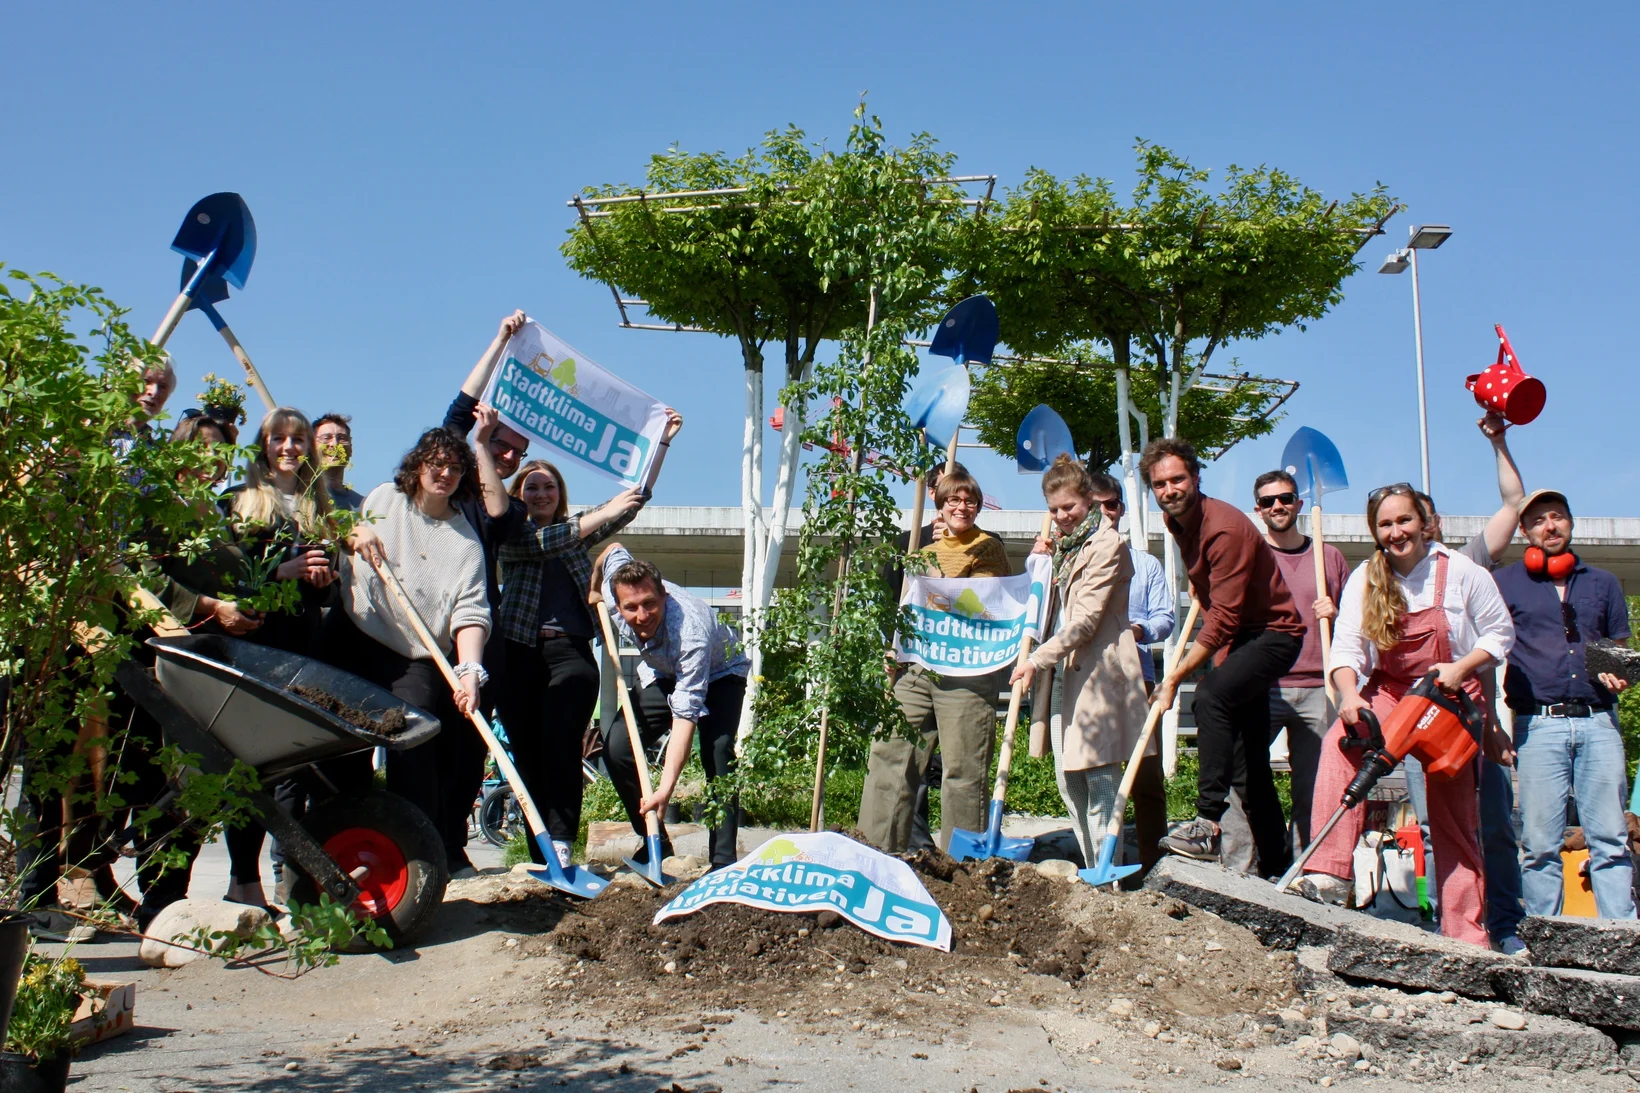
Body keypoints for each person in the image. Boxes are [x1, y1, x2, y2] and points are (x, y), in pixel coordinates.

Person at [1300, 484, 1515, 946]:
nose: (1396, 532)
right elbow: (1347, 648)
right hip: (1392, 691)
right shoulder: (1366, 578)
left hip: (1451, 697)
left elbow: (1499, 634)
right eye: (1386, 524)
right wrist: (1347, 694)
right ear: (1375, 533)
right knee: (1341, 743)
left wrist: (1461, 667)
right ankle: (1328, 873)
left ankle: (1465, 932)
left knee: (1452, 813)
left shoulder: (1462, 572)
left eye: (1404, 521)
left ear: (1424, 523)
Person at [492, 410, 679, 868]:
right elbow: (546, 543)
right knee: (528, 753)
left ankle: (561, 841)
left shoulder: (578, 535)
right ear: (518, 495)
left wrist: (662, 445)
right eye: (530, 487)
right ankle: (539, 851)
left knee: (561, 745)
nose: (540, 493)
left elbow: (635, 500)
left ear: (560, 495)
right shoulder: (510, 537)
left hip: (569, 653)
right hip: (516, 653)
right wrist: (602, 512)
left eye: (548, 487)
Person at [1142, 437, 1305, 874]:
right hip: (1243, 635)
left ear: (1196, 477)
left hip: (1275, 633)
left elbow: (1223, 623)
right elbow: (1208, 586)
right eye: (1160, 484)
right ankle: (1276, 866)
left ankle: (1207, 822)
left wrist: (1174, 677)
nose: (1170, 489)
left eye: (1178, 479)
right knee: (1249, 767)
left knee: (1210, 695)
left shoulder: (1225, 529)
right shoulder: (1177, 521)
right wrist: (1201, 583)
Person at [333, 429, 491, 872]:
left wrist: (469, 672)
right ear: (418, 465)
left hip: (417, 655)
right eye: (436, 464)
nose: (444, 474)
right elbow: (342, 528)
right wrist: (356, 531)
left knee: (416, 737)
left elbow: (472, 615)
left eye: (455, 468)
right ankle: (340, 841)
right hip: (355, 632)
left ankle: (418, 852)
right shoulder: (384, 500)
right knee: (340, 746)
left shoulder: (466, 545)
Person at [1407, 413, 1529, 951]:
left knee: (1497, 827)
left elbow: (1513, 506)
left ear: (1431, 524)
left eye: (1419, 519)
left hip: (1478, 721)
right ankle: (1448, 927)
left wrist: (1499, 443)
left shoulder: (1468, 563)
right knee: (1436, 830)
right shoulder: (1383, 578)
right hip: (1421, 720)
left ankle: (1504, 926)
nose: (1408, 531)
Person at [1494, 489, 1635, 920]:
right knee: (1539, 845)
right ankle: (1544, 938)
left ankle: (1622, 940)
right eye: (1538, 520)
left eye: (1557, 517)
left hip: (1599, 721)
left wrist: (1622, 671)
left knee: (1611, 838)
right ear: (1524, 531)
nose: (1549, 526)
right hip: (1539, 726)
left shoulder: (1603, 582)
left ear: (1571, 523)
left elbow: (1620, 645)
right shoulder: (1505, 583)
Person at [217, 407, 337, 907]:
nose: (289, 448)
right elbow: (227, 585)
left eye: (298, 440)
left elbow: (328, 596)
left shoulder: (318, 508)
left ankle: (291, 885)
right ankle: (243, 882)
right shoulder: (236, 503)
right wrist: (280, 574)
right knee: (250, 767)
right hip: (256, 647)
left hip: (304, 649)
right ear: (262, 445)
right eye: (279, 439)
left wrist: (323, 581)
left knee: (292, 769)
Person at [859, 467, 1012, 853]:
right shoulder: (920, 550)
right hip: (918, 667)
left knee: (962, 771)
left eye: (969, 501)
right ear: (938, 505)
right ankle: (877, 852)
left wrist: (937, 574)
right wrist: (892, 650)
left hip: (966, 671)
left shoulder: (987, 547)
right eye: (953, 500)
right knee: (890, 753)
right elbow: (909, 607)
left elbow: (977, 605)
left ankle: (964, 868)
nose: (962, 507)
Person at [1011, 456, 1149, 872]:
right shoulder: (1061, 550)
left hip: (1097, 676)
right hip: (1060, 675)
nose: (1061, 516)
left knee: (1100, 782)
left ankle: (1110, 879)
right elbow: (1044, 608)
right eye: (1054, 510)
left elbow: (1087, 618)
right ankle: (1093, 868)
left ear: (1088, 500)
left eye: (1069, 507)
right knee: (1068, 781)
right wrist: (1039, 562)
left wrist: (1037, 658)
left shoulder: (1108, 545)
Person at [1219, 470, 1350, 868]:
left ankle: (1305, 872)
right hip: (1264, 687)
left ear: (1298, 502)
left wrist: (1337, 612)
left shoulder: (1328, 556)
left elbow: (1356, 626)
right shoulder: (1249, 559)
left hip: (1317, 687)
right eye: (1268, 501)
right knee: (1240, 782)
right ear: (1258, 510)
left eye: (1286, 498)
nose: (1278, 506)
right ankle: (1237, 872)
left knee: (1314, 787)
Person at [591, 543, 750, 870]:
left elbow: (685, 716)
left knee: (718, 753)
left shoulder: (689, 631)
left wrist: (666, 790)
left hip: (721, 673)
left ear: (663, 595)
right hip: (663, 671)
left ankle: (722, 861)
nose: (641, 615)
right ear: (617, 604)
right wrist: (595, 588)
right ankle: (655, 842)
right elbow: (613, 549)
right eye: (631, 607)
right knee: (618, 747)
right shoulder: (613, 593)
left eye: (650, 603)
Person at [1067, 471, 1173, 876]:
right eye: (1095, 505)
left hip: (1134, 679)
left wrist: (1140, 629)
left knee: (1144, 778)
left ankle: (1152, 866)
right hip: (1086, 681)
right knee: (1095, 777)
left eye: (1111, 504)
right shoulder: (1073, 559)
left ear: (1121, 510)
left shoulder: (1145, 564)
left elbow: (1165, 617)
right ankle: (1104, 864)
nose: (1104, 512)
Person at [313, 413, 363, 512]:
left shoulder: (362, 505)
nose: (335, 444)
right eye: (326, 438)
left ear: (351, 449)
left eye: (342, 438)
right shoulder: (302, 497)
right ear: (311, 447)